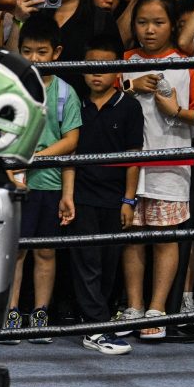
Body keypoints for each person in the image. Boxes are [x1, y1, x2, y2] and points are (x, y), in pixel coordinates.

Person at [121, 0, 194, 339]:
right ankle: (134, 307)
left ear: (173, 25)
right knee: (133, 238)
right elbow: (102, 95)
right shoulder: (124, 60)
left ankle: (158, 308)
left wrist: (176, 110)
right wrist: (130, 85)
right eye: (142, 22)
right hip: (130, 168)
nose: (149, 30)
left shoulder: (186, 64)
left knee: (165, 239)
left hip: (171, 165)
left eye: (158, 22)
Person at [0, 18, 82, 344]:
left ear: (57, 52)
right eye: (27, 51)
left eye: (42, 51)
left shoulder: (65, 92)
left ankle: (40, 312)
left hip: (50, 184)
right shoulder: (12, 90)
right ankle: (10, 312)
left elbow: (72, 141)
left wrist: (66, 192)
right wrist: (10, 175)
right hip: (16, 184)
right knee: (16, 251)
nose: (34, 58)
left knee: (46, 252)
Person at [60, 35, 143, 355]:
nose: (97, 72)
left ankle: (98, 320)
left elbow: (134, 156)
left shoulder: (130, 106)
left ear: (118, 70)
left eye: (105, 66)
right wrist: (68, 195)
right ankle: (95, 328)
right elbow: (70, 152)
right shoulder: (74, 103)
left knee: (108, 264)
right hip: (82, 195)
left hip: (114, 197)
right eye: (91, 65)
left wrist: (129, 199)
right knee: (87, 262)